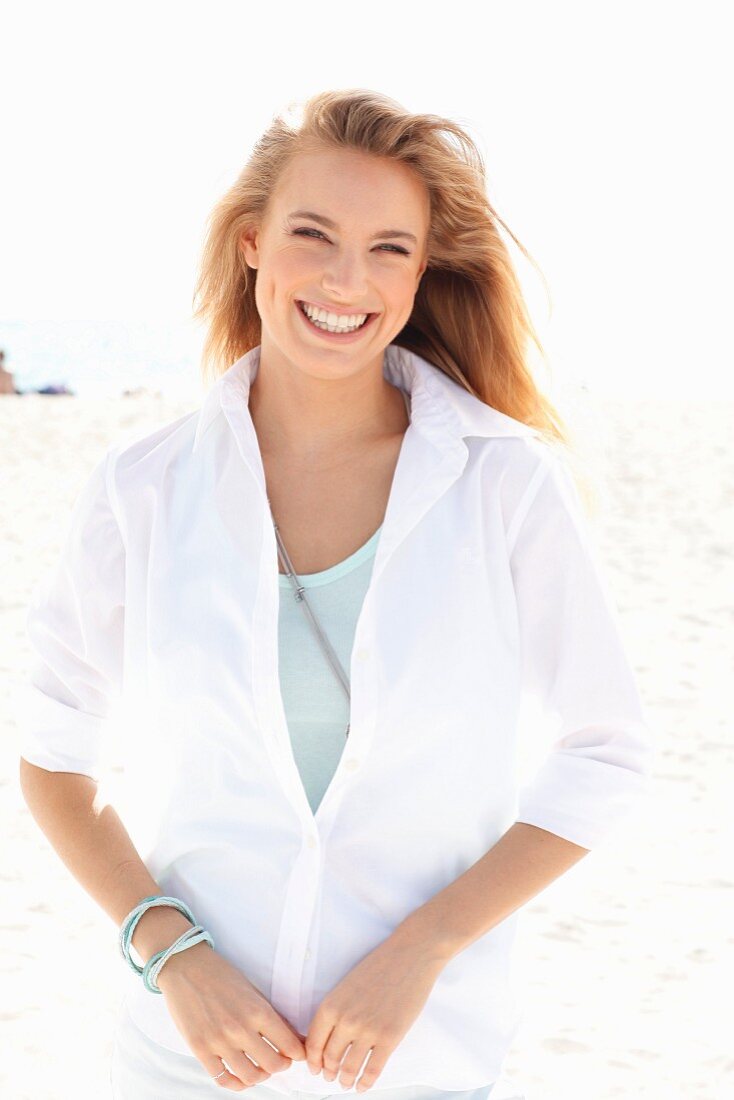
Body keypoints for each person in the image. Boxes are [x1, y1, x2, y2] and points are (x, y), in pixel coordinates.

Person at [17, 89, 655, 1099]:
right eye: (312, 234)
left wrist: (422, 949)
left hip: (423, 1061)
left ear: (420, 271)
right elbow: (56, 754)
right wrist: (173, 953)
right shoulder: (139, 487)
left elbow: (605, 750)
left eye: (389, 248)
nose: (346, 279)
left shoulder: (502, 482)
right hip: (180, 1066)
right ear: (251, 245)